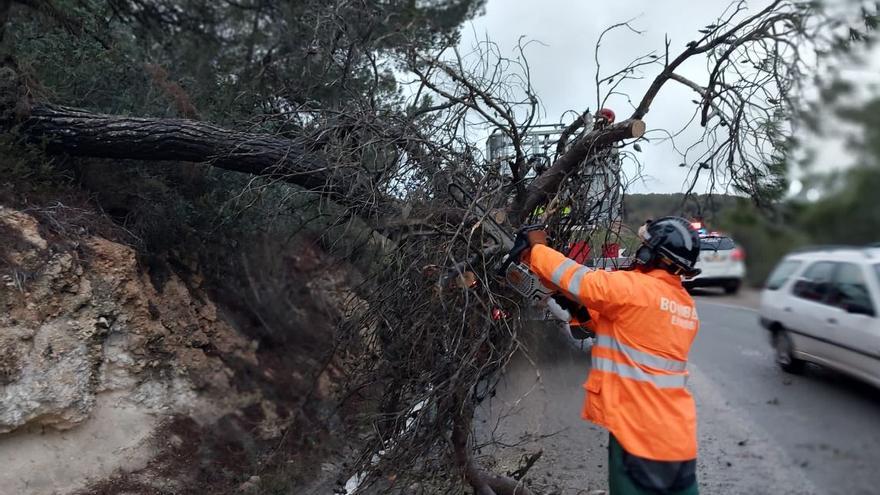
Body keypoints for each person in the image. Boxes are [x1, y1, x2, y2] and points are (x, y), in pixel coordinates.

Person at [522, 217, 702, 495]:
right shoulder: (684, 306)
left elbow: (582, 280)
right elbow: (628, 325)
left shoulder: (634, 289)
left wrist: (536, 249)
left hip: (639, 436)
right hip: (677, 437)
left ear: (653, 254)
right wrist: (580, 310)